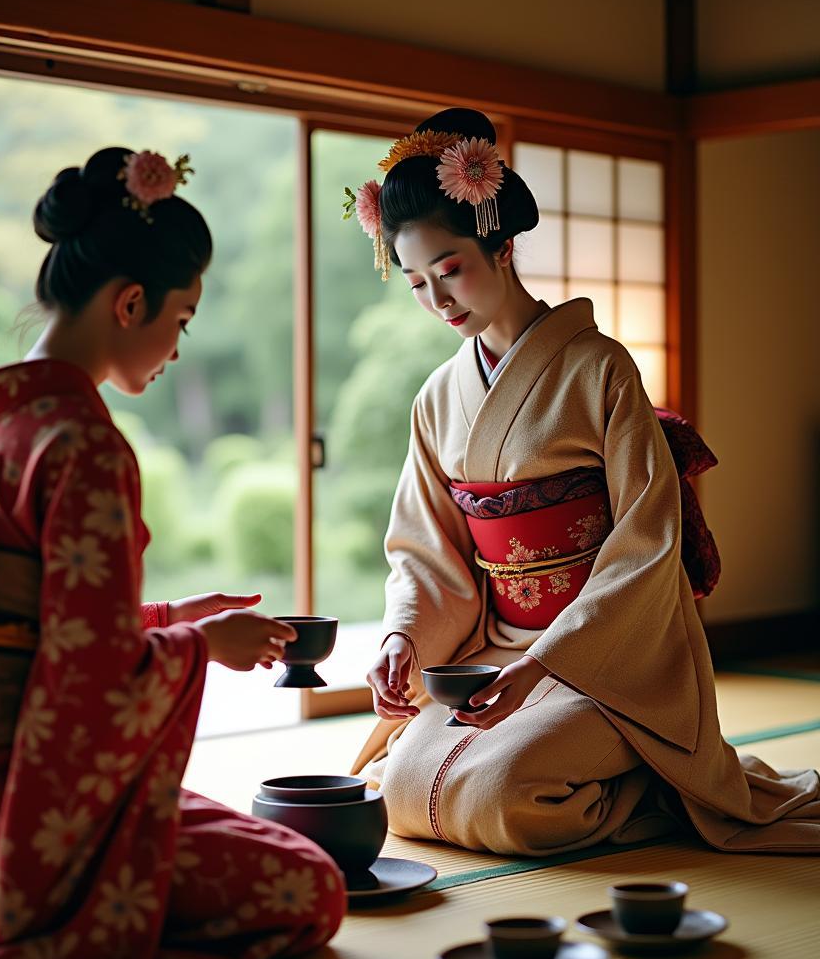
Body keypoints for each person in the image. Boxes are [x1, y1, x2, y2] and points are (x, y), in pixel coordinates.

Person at [0, 147, 345, 959]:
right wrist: (205, 646)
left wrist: (165, 620)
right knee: (307, 886)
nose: (177, 346)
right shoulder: (82, 442)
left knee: (235, 841)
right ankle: (75, 928)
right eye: (183, 318)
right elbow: (84, 683)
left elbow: (27, 633)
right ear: (131, 303)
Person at [347, 108, 820, 856]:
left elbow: (646, 542)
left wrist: (548, 662)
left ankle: (661, 785)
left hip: (608, 660)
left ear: (499, 245)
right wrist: (403, 637)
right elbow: (424, 551)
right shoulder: (437, 397)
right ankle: (644, 783)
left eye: (450, 269)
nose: (438, 299)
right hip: (495, 655)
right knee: (405, 788)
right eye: (415, 283)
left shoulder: (600, 369)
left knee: (507, 798)